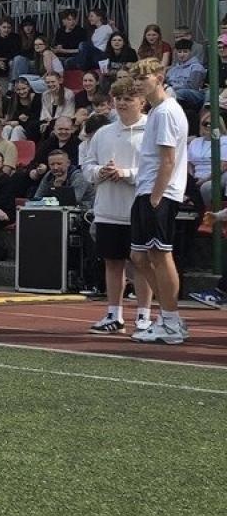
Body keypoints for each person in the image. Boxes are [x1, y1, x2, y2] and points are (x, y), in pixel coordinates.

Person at [128, 59, 191, 345]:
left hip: (160, 193)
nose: (139, 83)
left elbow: (168, 160)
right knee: (140, 256)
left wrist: (155, 196)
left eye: (144, 78)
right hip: (147, 190)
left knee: (160, 255)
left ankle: (171, 319)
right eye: (136, 79)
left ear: (160, 77)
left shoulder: (166, 111)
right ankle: (168, 316)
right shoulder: (156, 111)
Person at [86, 81, 151, 332]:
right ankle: (114, 314)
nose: (122, 103)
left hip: (138, 210)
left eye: (128, 98)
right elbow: (88, 166)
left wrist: (125, 173)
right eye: (118, 98)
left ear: (141, 102)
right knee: (112, 262)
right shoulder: (103, 133)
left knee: (141, 263)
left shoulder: (149, 131)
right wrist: (100, 171)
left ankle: (144, 315)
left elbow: (155, 170)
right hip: (108, 210)